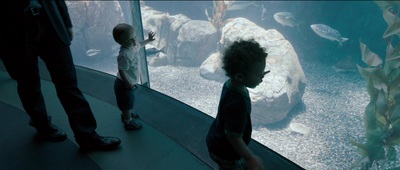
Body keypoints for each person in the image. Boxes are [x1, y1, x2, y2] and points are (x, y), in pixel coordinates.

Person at [0, 0, 121, 152]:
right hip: (12, 30)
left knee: (68, 83)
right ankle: (42, 124)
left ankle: (87, 136)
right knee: (28, 83)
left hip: (49, 23)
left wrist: (66, 21)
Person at [206, 39, 269, 170]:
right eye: (259, 74)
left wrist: (257, 74)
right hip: (226, 153)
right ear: (240, 76)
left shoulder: (230, 84)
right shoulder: (237, 103)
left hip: (216, 140)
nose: (262, 77)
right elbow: (233, 136)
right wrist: (250, 158)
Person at [112, 23, 155, 130]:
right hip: (124, 84)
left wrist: (148, 40)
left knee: (127, 102)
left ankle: (127, 114)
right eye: (129, 39)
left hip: (128, 83)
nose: (134, 41)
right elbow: (122, 70)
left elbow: (140, 44)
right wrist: (128, 83)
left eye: (134, 37)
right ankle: (128, 121)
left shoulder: (133, 46)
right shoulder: (125, 55)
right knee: (127, 102)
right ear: (120, 42)